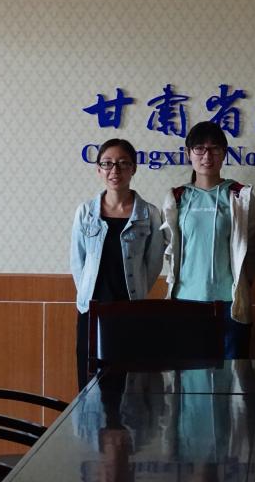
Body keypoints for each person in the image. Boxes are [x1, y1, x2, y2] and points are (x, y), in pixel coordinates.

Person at [160, 121, 255, 358]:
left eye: (215, 148)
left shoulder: (240, 195)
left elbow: (253, 249)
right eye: (200, 149)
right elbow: (168, 246)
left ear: (224, 153)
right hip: (185, 300)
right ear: (188, 153)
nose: (207, 156)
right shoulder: (177, 197)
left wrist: (243, 285)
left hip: (230, 303)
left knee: (232, 374)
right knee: (188, 374)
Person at [71, 138, 165, 389]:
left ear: (133, 168)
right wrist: (87, 292)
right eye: (108, 163)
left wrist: (139, 290)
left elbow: (154, 262)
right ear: (98, 169)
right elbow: (78, 261)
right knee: (90, 382)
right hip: (91, 309)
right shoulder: (85, 212)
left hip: (130, 309)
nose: (115, 170)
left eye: (123, 163)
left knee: (129, 383)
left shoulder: (149, 213)